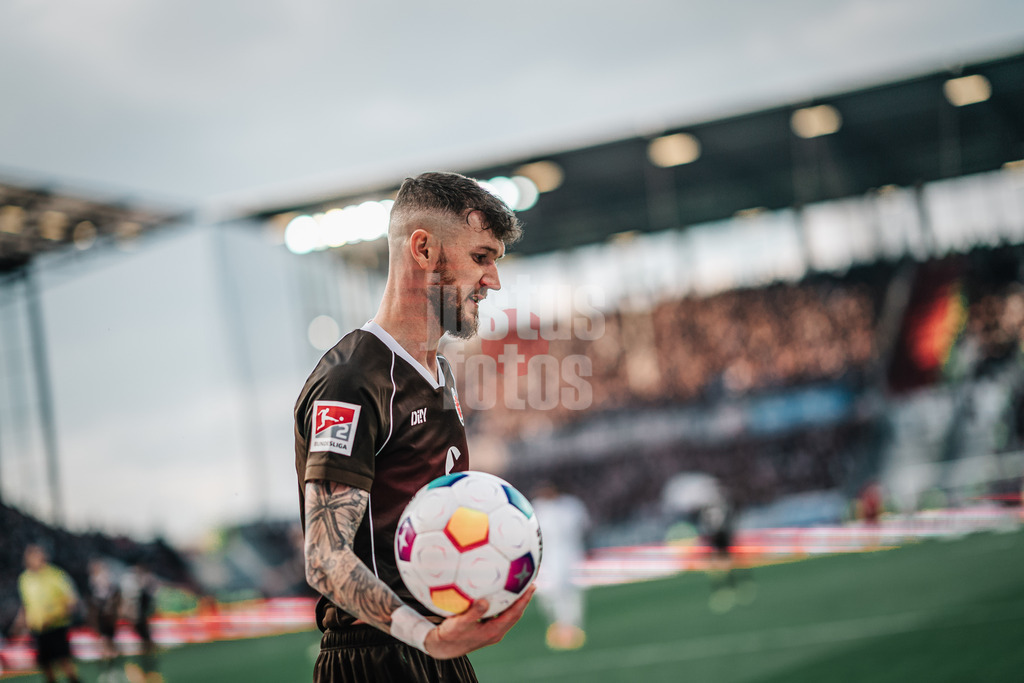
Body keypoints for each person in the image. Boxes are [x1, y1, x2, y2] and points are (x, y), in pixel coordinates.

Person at [294, 171, 533, 682]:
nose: (493, 281)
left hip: (433, 650)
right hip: (373, 659)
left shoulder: (437, 371)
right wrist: (423, 634)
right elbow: (324, 555)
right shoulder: (353, 379)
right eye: (481, 257)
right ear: (422, 249)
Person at [531, 481, 590, 650]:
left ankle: (572, 627)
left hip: (570, 552)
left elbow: (582, 526)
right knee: (548, 593)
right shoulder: (537, 508)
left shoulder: (570, 505)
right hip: (546, 556)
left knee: (569, 590)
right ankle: (557, 626)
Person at [15, 544, 82, 683]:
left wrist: (57, 614)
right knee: (46, 666)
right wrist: (20, 623)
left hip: (57, 627)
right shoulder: (24, 579)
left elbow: (72, 600)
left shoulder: (56, 574)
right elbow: (26, 605)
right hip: (39, 629)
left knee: (64, 662)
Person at [120, 563, 159, 683]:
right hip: (137, 615)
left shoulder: (140, 581)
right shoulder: (132, 582)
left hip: (140, 614)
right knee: (144, 639)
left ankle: (147, 661)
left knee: (146, 639)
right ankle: (144, 662)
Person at [87, 559, 121, 683]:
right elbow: (92, 605)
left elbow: (115, 596)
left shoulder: (108, 581)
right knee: (103, 644)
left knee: (110, 643)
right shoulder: (91, 583)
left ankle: (112, 669)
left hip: (108, 618)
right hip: (100, 618)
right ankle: (105, 671)